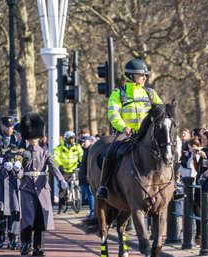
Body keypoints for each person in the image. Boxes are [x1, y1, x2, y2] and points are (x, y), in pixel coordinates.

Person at [96, 58, 163, 200]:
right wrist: (123, 127)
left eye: (145, 75)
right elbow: (113, 114)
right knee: (110, 151)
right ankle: (104, 185)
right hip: (127, 134)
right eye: (141, 75)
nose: (145, 77)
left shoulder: (150, 94)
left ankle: (174, 185)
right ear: (131, 76)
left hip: (147, 135)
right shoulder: (118, 93)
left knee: (166, 150)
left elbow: (161, 113)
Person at [14, 113, 67, 256]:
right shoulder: (22, 152)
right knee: (27, 217)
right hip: (26, 187)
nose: (33, 140)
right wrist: (17, 168)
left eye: (35, 137)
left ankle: (38, 246)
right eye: (31, 137)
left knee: (40, 217)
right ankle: (25, 244)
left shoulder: (45, 152)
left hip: (42, 187)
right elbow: (19, 175)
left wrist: (61, 180)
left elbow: (53, 166)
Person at [0, 115, 20, 249]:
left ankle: (13, 236)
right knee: (1, 208)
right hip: (1, 177)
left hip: (14, 177)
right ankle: (1, 235)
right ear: (2, 127)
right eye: (7, 126)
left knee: (15, 208)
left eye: (12, 126)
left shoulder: (18, 140)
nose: (9, 129)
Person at [53, 131, 83, 213]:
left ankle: (76, 200)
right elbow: (55, 156)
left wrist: (81, 162)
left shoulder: (77, 147)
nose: (73, 140)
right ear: (66, 139)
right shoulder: (60, 147)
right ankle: (61, 206)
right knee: (63, 189)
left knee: (76, 183)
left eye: (73, 138)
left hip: (74, 170)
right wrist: (59, 165)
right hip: (64, 171)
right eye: (71, 138)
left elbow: (81, 155)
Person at [79, 136, 96, 218]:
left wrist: (88, 176)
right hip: (85, 176)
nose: (82, 144)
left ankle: (93, 212)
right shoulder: (86, 150)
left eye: (84, 142)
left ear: (90, 141)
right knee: (89, 195)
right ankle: (92, 212)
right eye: (82, 142)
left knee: (90, 195)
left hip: (88, 177)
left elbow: (90, 165)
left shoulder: (90, 150)